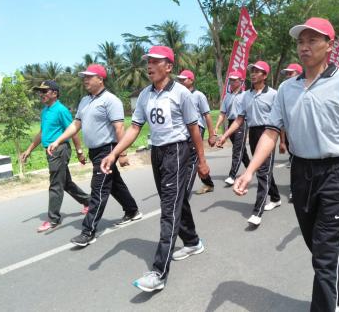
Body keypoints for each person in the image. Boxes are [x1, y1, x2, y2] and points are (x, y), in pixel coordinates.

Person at [233, 18, 339, 312]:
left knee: (324, 253)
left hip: (335, 171)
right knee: (318, 246)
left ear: (329, 45)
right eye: (300, 41)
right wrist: (249, 170)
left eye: (312, 40)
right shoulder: (287, 88)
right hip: (301, 172)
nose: (305, 47)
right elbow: (271, 132)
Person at [100, 46, 210, 292]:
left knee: (169, 209)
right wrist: (115, 152)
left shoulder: (182, 94)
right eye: (147, 61)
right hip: (157, 153)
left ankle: (159, 272)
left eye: (155, 61)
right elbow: (135, 128)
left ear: (168, 67)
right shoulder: (144, 96)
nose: (149, 65)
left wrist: (201, 161)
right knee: (175, 202)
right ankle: (192, 242)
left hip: (179, 152)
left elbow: (194, 129)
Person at [47, 64, 142, 246]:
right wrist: (58, 140)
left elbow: (119, 128)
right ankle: (132, 211)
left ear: (100, 79)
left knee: (98, 189)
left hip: (107, 150)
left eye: (89, 77)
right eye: (84, 77)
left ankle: (88, 231)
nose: (85, 80)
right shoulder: (85, 101)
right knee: (114, 184)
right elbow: (75, 125)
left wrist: (121, 153)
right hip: (94, 151)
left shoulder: (111, 100)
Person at [217, 60, 281, 226]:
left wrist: (284, 142)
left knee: (262, 171)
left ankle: (257, 211)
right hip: (253, 133)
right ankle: (275, 197)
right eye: (252, 70)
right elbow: (239, 120)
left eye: (258, 71)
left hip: (268, 133)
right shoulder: (246, 96)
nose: (253, 73)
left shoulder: (273, 94)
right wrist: (225, 135)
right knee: (262, 168)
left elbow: (281, 121)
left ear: (265, 75)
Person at [21, 80, 91, 232]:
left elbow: (73, 130)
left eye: (44, 91)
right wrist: (29, 149)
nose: (41, 94)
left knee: (55, 184)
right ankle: (89, 201)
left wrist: (79, 152)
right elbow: (42, 133)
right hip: (50, 151)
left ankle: (53, 219)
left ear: (54, 93)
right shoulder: (45, 111)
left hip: (59, 150)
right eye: (40, 91)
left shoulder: (61, 110)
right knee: (64, 182)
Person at [176, 69, 216, 194]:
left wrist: (212, 135)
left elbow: (207, 115)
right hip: (183, 130)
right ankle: (208, 183)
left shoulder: (198, 95)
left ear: (191, 80)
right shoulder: (178, 94)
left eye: (184, 79)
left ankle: (183, 193)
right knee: (195, 158)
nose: (181, 82)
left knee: (192, 159)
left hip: (197, 128)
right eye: (179, 80)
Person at [214, 71, 250, 186]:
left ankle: (232, 175)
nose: (232, 82)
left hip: (241, 123)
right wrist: (217, 126)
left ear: (241, 81)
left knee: (237, 150)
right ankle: (250, 167)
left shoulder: (246, 95)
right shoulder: (227, 96)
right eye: (230, 80)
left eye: (235, 80)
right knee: (240, 149)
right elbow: (222, 113)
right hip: (231, 124)